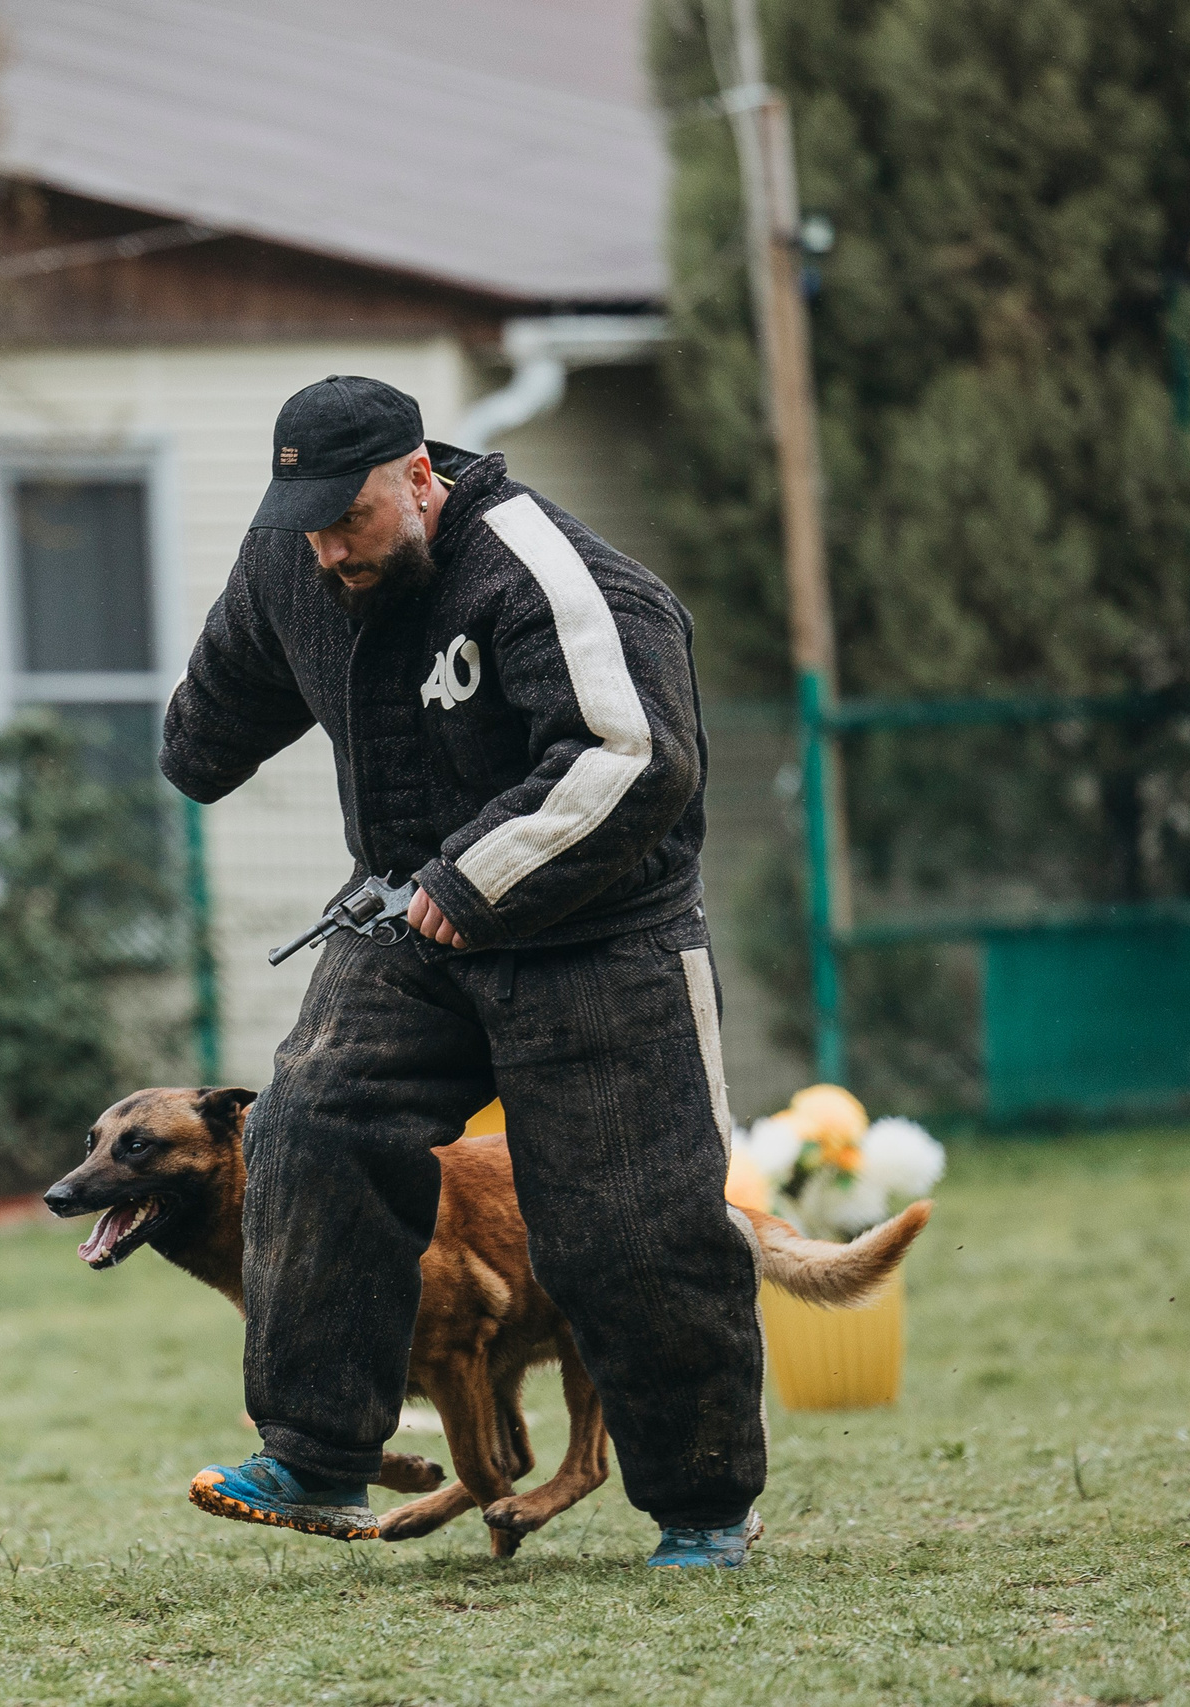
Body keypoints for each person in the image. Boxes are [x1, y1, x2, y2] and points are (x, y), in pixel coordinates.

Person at [161, 375, 764, 1568]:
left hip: (597, 930)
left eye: (355, 520)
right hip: (412, 921)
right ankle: (318, 1458)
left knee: (628, 1229)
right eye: (312, 525)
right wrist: (190, 747)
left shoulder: (541, 572)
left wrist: (475, 879)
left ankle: (702, 1506)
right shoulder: (293, 557)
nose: (333, 549)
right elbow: (217, 712)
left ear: (421, 479)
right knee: (312, 1121)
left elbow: (635, 756)